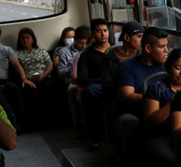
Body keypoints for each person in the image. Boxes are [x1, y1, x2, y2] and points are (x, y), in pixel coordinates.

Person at [117, 27, 169, 153]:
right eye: (161, 47)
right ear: (148, 49)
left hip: (165, 109)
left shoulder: (169, 66)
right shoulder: (127, 67)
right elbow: (127, 95)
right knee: (130, 124)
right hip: (136, 111)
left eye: (166, 46)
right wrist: (154, 99)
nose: (166, 51)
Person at [143, 48, 181, 167]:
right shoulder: (156, 89)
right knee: (172, 161)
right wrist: (176, 99)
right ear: (168, 67)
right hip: (162, 134)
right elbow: (152, 121)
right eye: (178, 68)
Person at [76, 19, 116, 147]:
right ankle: (96, 137)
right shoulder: (86, 55)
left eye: (105, 30)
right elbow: (82, 79)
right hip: (99, 86)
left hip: (116, 84)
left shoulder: (117, 50)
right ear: (92, 34)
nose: (103, 34)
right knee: (89, 93)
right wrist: (101, 81)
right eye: (99, 31)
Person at [12, 27, 53, 130]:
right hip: (27, 79)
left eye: (28, 37)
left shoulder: (41, 50)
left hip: (43, 77)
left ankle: (50, 120)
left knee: (50, 86)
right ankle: (35, 122)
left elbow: (50, 65)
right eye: (23, 38)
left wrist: (43, 76)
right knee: (29, 90)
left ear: (33, 39)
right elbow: (16, 69)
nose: (25, 40)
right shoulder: (16, 53)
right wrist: (26, 78)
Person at [65, 26, 90, 128]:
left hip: (88, 80)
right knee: (73, 90)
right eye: (81, 43)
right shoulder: (74, 55)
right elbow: (68, 74)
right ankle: (77, 124)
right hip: (76, 79)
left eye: (86, 43)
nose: (84, 46)